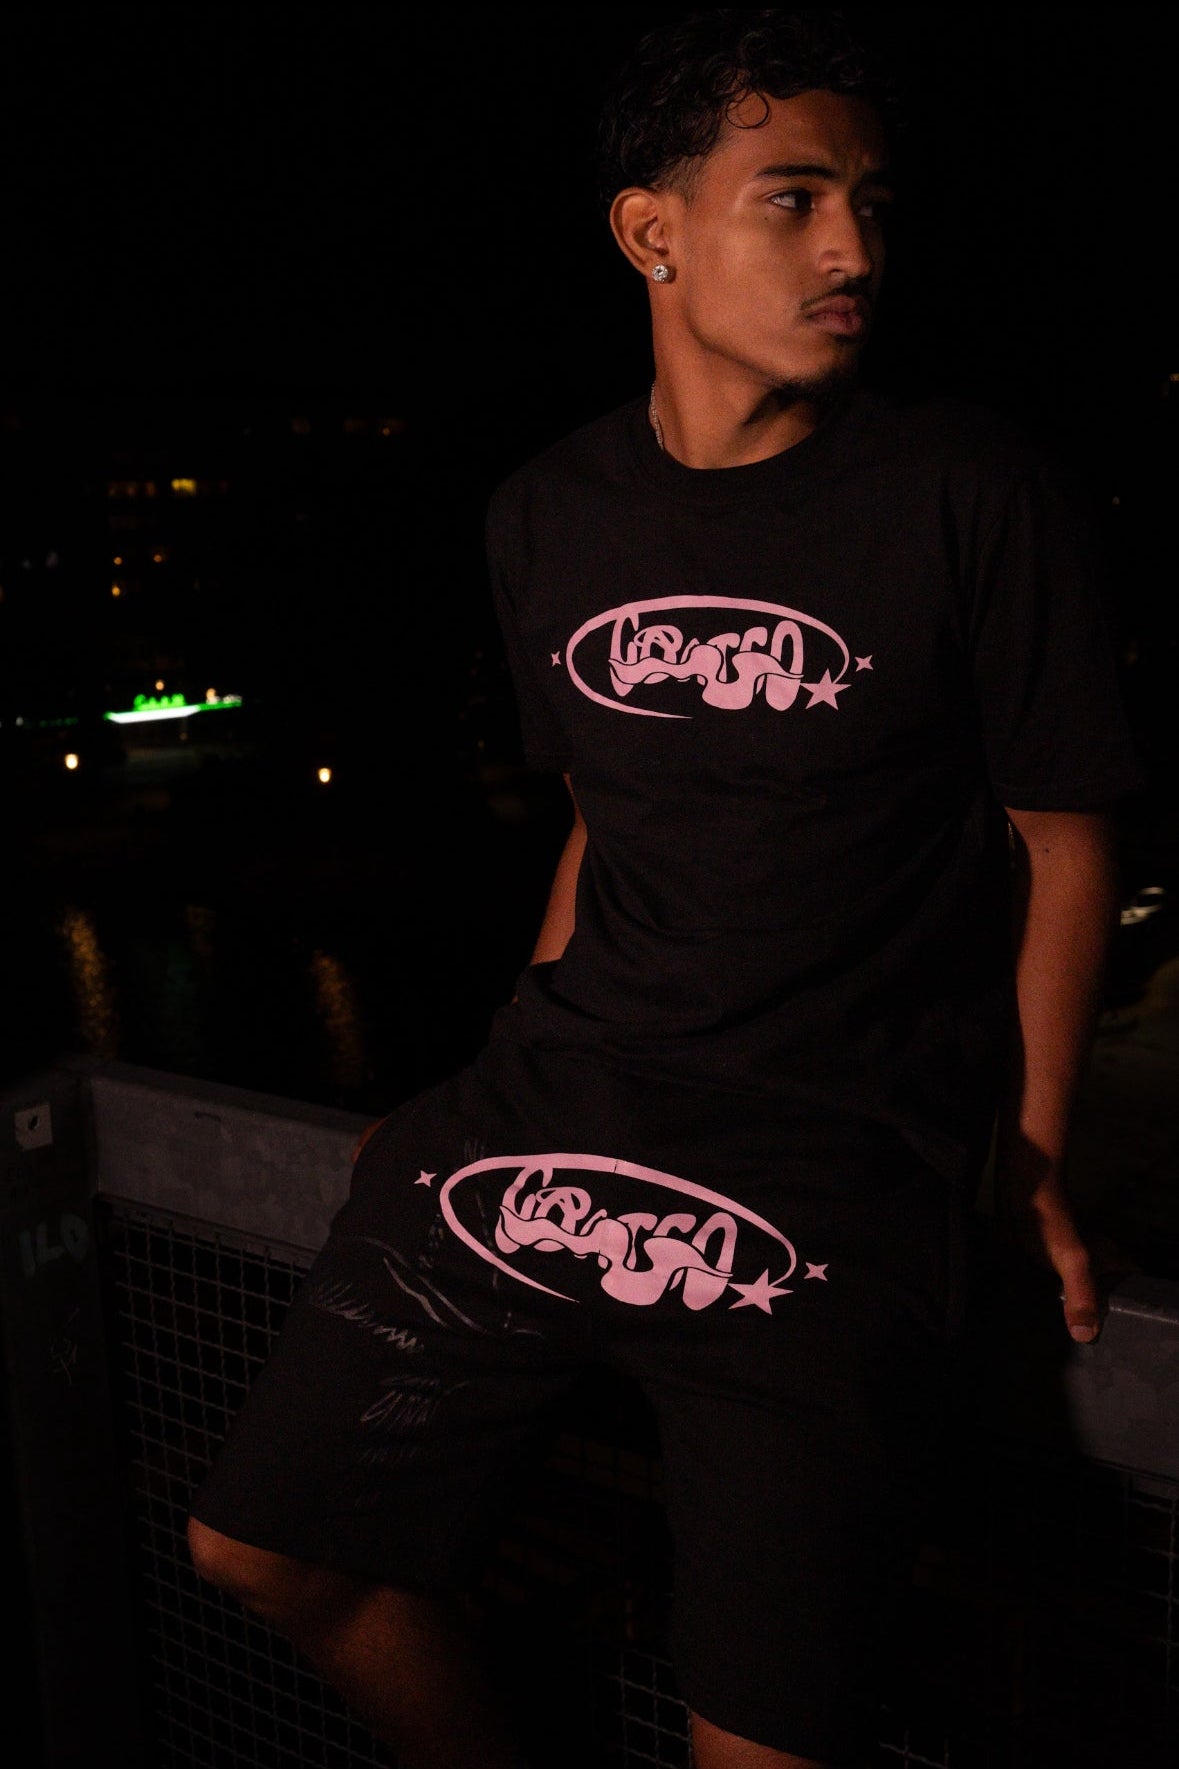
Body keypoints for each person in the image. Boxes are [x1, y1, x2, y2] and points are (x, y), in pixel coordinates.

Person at [187, 10, 1142, 1767]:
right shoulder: (546, 514)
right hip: (561, 1105)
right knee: (263, 1548)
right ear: (653, 233)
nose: (854, 249)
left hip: (831, 1164)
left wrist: (1027, 1155)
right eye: (795, 198)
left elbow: (1061, 833)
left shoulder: (970, 492)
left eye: (871, 206)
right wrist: (495, 1073)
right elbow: (604, 823)